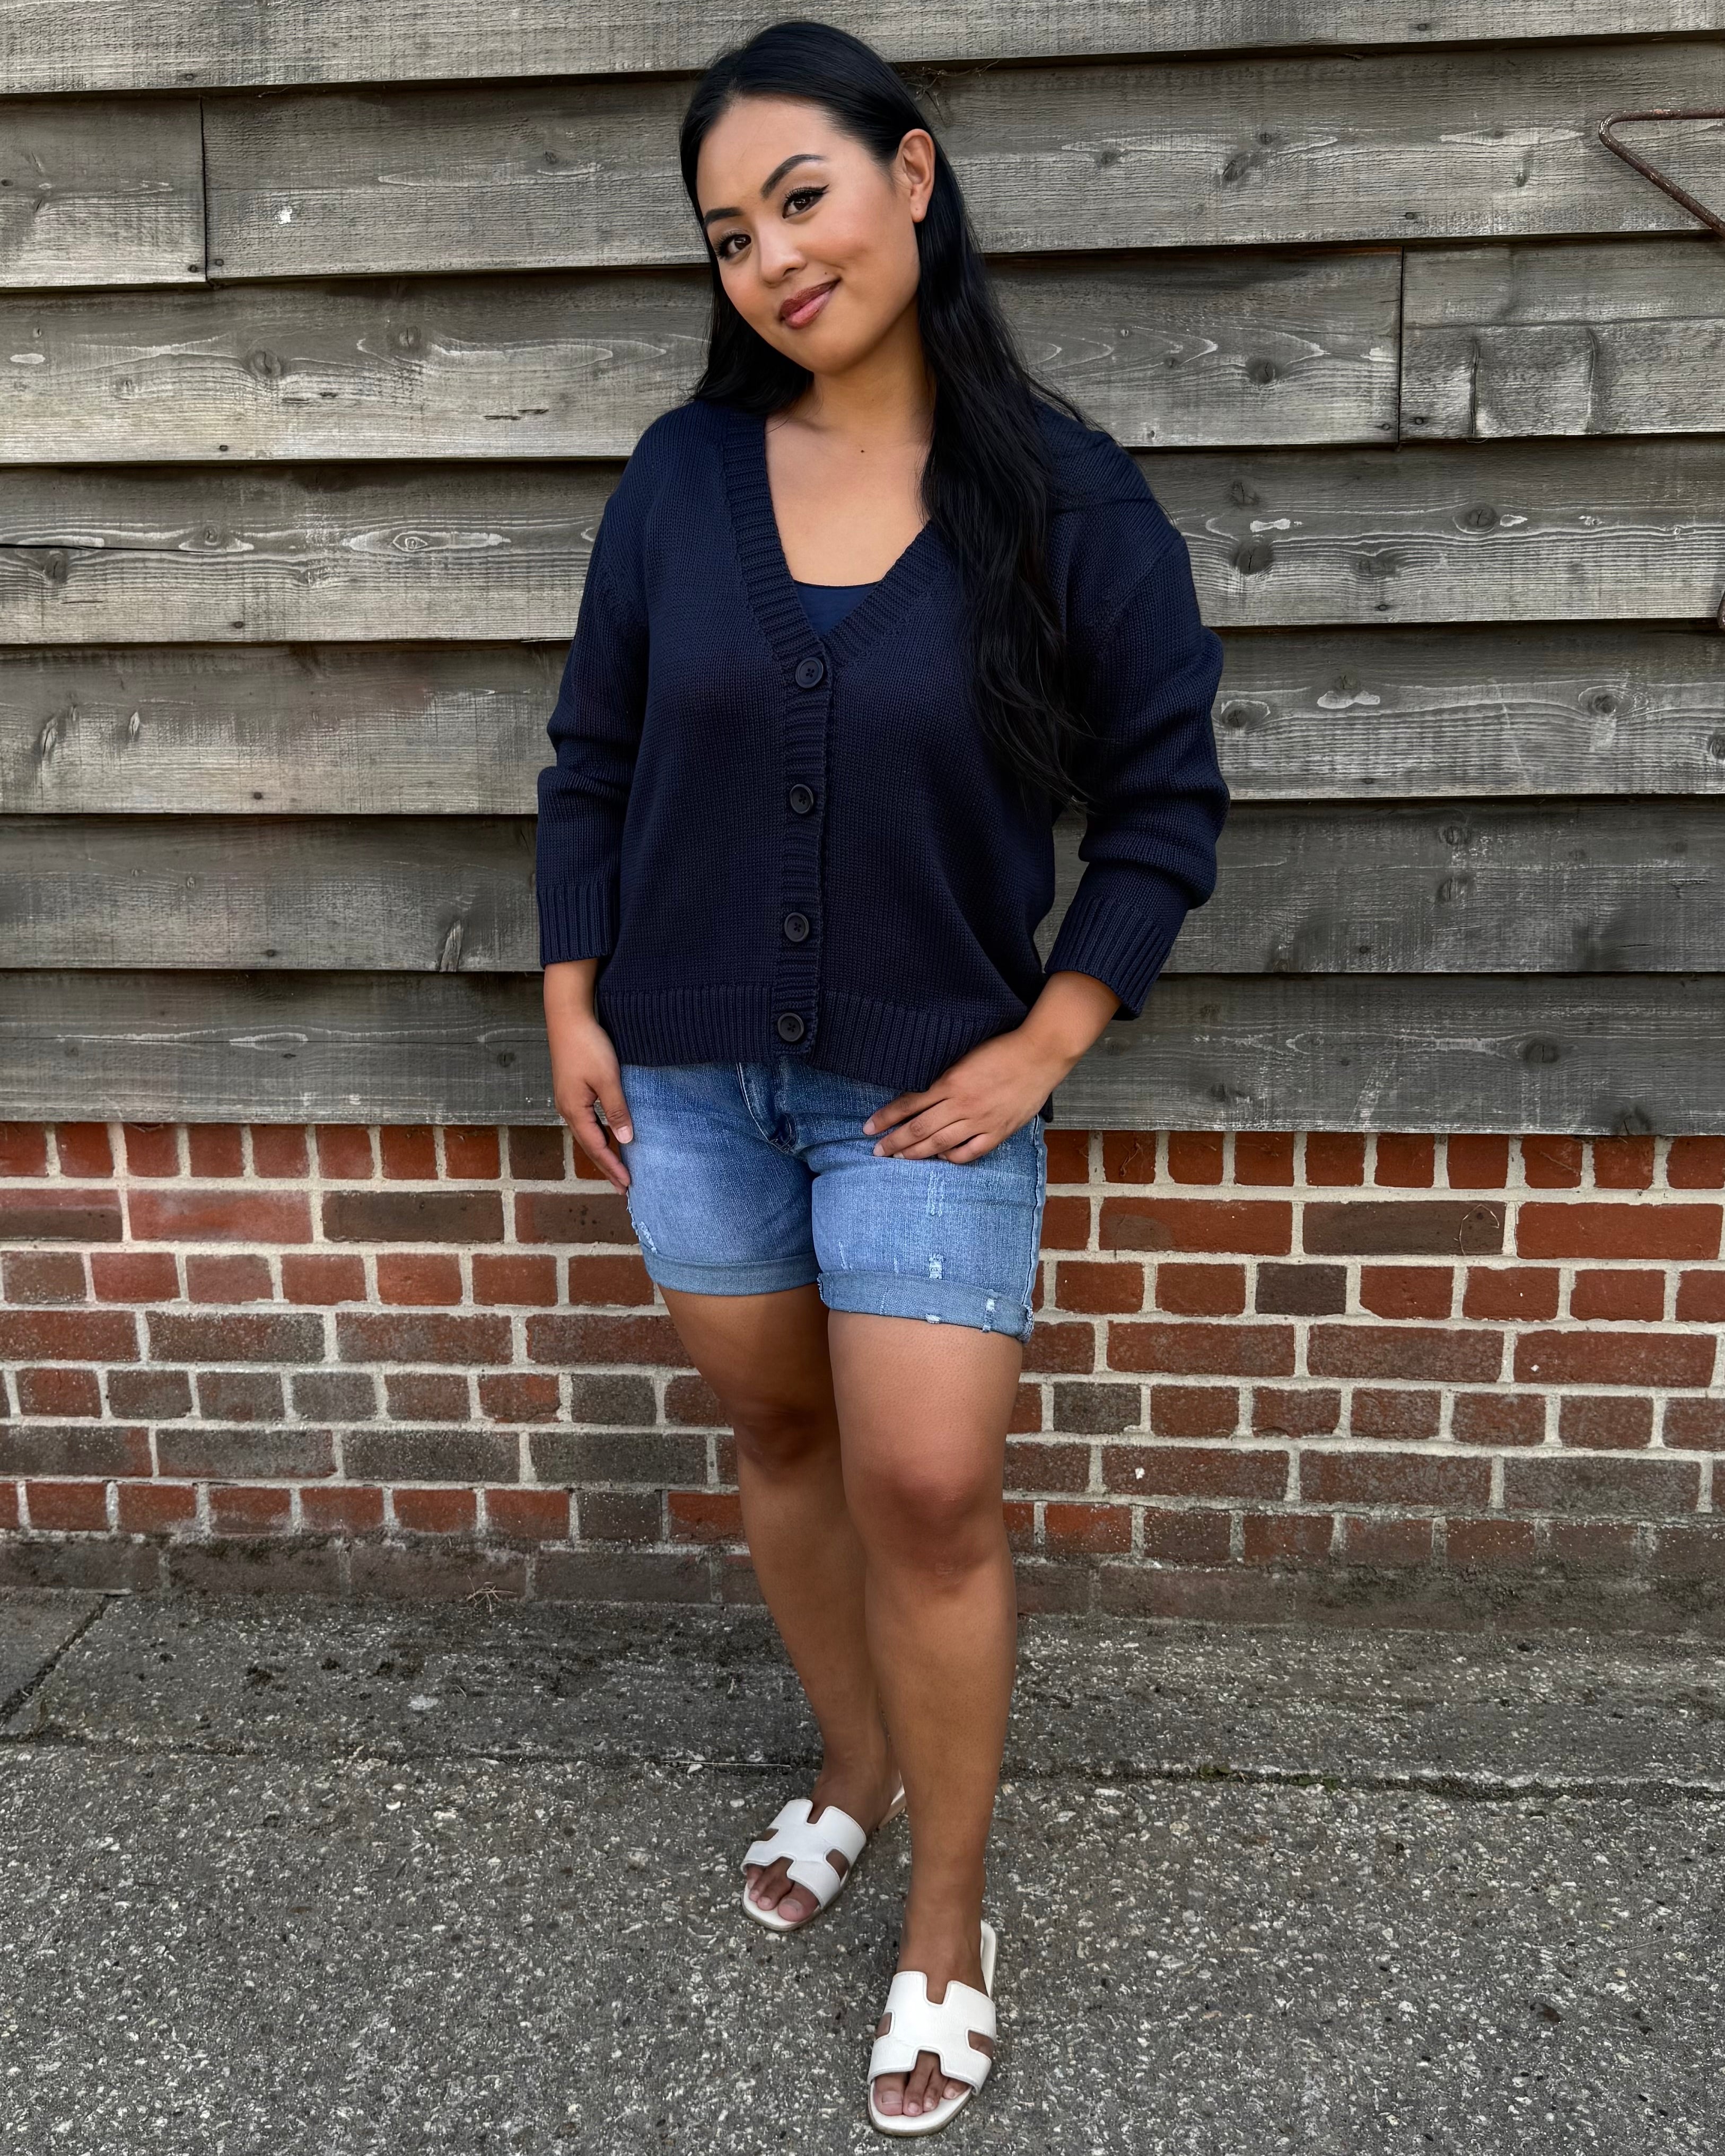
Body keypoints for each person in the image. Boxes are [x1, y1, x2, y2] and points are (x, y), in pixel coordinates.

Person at [535, 19, 1228, 2135]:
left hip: (928, 1087)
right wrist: (575, 993)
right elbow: (592, 756)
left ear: (912, 178)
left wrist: (1047, 1037)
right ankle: (847, 1764)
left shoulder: (1065, 503)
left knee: (926, 1482)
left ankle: (946, 1907)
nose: (770, 257)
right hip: (685, 1078)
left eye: (801, 198)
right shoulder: (677, 481)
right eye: (728, 234)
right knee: (775, 1432)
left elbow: (1165, 802)